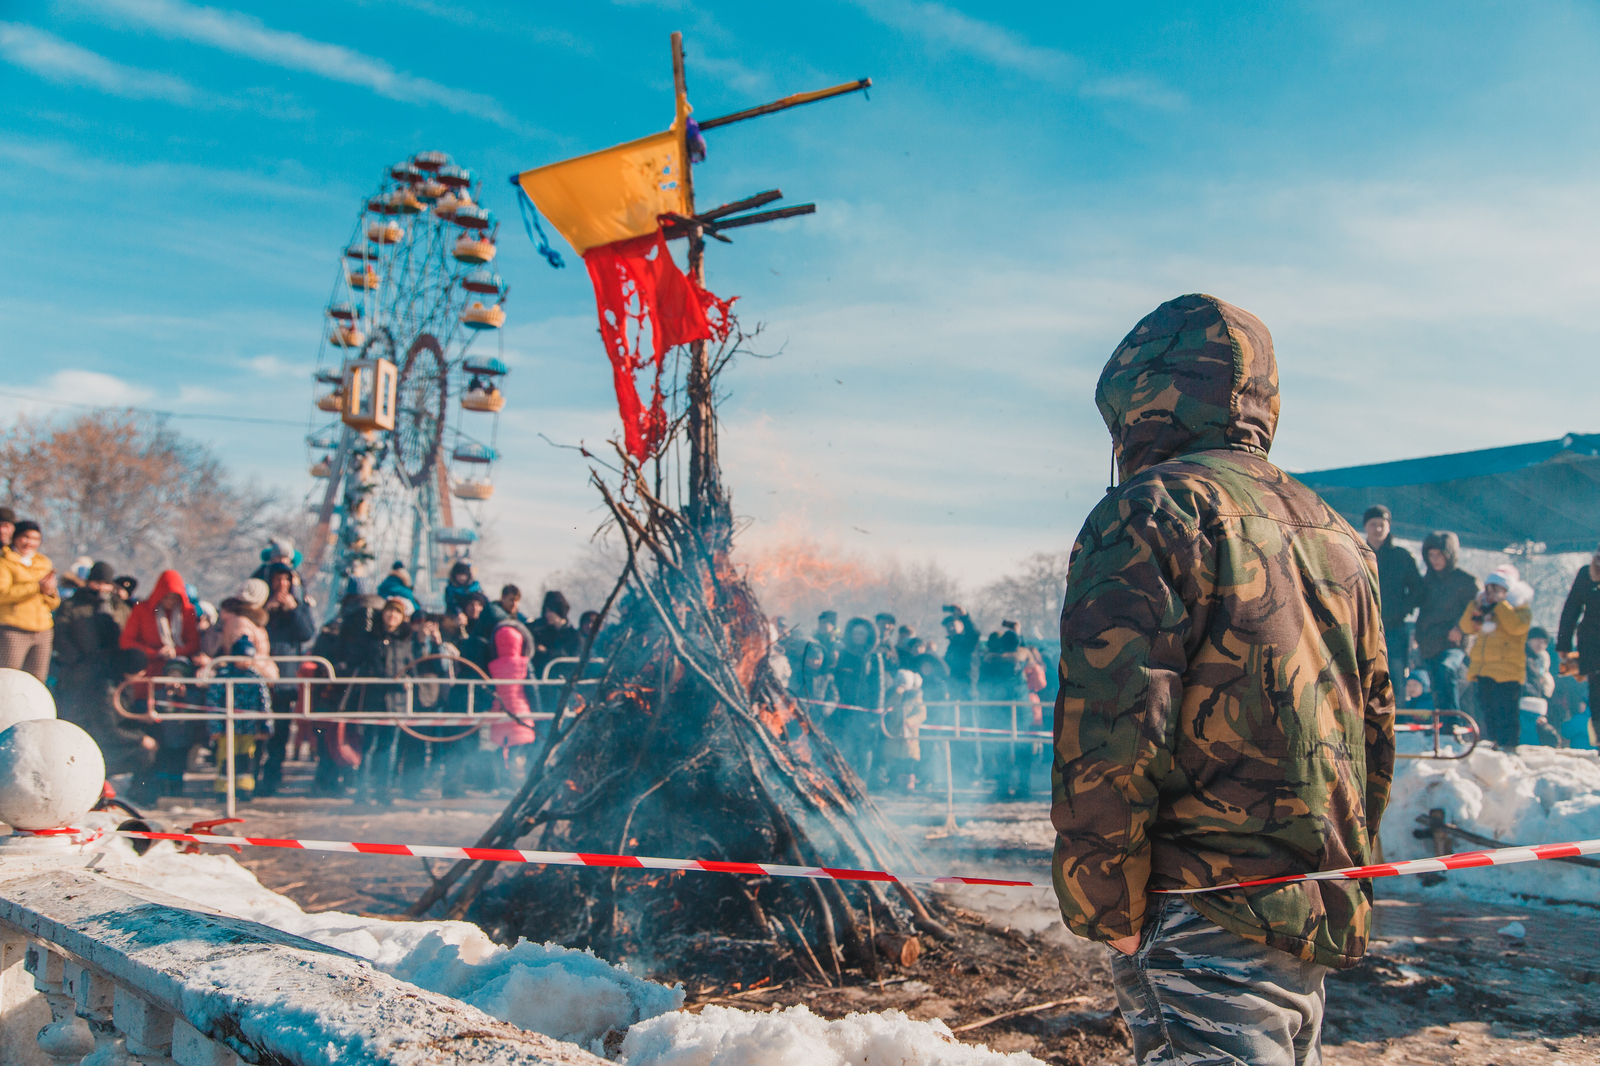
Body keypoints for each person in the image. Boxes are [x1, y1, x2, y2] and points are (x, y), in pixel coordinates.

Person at [1053, 294, 1393, 1065]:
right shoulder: (1335, 531)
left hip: (1202, 911)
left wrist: (1105, 903)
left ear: (1140, 400)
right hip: (1307, 905)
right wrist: (1340, 875)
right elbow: (1373, 730)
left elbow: (1114, 728)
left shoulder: (1148, 513)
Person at [53, 561, 154, 775]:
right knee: (77, 722)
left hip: (113, 672)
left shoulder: (120, 606)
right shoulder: (73, 605)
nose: (101, 588)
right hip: (80, 672)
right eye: (97, 582)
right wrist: (77, 659)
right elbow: (61, 636)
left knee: (107, 721)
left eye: (106, 584)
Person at [204, 598, 278, 800]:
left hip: (248, 727)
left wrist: (265, 727)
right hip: (227, 727)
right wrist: (214, 728)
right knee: (225, 758)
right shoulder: (224, 677)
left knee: (246, 758)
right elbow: (213, 702)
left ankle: (244, 787)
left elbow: (265, 704)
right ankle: (223, 789)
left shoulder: (255, 678)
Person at [254, 562, 317, 797]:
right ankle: (251, 777)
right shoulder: (261, 606)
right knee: (258, 733)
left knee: (279, 734)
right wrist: (266, 612)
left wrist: (294, 610)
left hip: (286, 680)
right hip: (260, 677)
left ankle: (271, 780)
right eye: (278, 580)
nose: (282, 585)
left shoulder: (299, 607)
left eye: (286, 580)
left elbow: (307, 634)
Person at [1458, 564, 1533, 750]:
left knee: (1507, 710)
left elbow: (1516, 627)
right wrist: (1474, 606)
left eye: (1497, 589)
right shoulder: (1482, 608)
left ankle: (1509, 744)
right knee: (1488, 709)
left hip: (1508, 670)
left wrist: (1501, 606)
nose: (1491, 593)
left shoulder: (1521, 610)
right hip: (1483, 668)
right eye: (1489, 589)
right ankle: (1495, 741)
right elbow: (1467, 627)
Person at [1414, 532, 1478, 712]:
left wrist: (1461, 628)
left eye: (1440, 554)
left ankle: (1453, 720)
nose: (1435, 560)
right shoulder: (1426, 581)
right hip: (1429, 642)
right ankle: (1441, 725)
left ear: (1450, 555)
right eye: (1431, 555)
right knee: (1435, 684)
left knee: (1446, 669)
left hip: (1454, 642)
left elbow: (1477, 610)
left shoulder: (1466, 581)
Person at [1362, 505, 1422, 677]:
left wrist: (1402, 610)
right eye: (1373, 524)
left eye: (1382, 524)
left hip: (1395, 629)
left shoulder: (1402, 557)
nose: (1378, 528)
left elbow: (1418, 590)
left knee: (1394, 675)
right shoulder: (1357, 554)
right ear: (1366, 526)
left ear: (1389, 526)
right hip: (1364, 626)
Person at [0, 520, 61, 680]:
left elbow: (54, 603)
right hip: (14, 629)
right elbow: (2, 594)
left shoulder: (43, 563)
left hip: (43, 630)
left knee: (37, 680)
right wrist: (36, 587)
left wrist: (49, 592)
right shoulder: (4, 561)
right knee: (8, 678)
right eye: (25, 537)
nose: (30, 543)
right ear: (15, 538)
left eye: (35, 539)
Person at [831, 617, 887, 782]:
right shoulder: (844, 654)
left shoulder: (875, 657)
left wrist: (876, 711)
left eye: (861, 633)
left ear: (868, 635)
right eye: (855, 633)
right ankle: (847, 783)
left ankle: (862, 782)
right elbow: (837, 681)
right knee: (847, 748)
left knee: (865, 749)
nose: (858, 636)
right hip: (845, 710)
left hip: (867, 711)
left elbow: (879, 685)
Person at [1557, 544, 1600, 743]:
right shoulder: (1586, 574)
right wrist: (1564, 644)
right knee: (1597, 697)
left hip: (1591, 644)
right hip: (1592, 646)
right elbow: (1571, 608)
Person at [487, 624, 538, 791]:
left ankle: (503, 782)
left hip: (500, 711)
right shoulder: (524, 664)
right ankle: (517, 784)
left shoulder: (493, 665)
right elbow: (532, 689)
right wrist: (538, 710)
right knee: (518, 752)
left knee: (502, 749)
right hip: (520, 712)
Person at [881, 669, 927, 791]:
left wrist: (909, 722)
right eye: (900, 681)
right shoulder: (895, 695)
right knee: (898, 761)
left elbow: (922, 715)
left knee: (909, 762)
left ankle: (909, 785)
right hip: (896, 734)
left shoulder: (916, 698)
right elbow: (888, 707)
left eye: (904, 681)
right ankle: (899, 785)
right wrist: (897, 694)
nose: (902, 683)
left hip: (910, 734)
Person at [1522, 626, 1560, 746]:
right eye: (1537, 640)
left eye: (1544, 642)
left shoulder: (1541, 659)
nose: (1540, 644)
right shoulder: (1524, 657)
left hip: (1537, 704)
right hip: (1525, 704)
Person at [530, 591, 580, 679]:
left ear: (558, 611)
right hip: (543, 678)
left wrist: (547, 652)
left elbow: (571, 657)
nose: (546, 614)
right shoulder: (543, 632)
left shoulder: (575, 636)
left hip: (563, 680)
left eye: (549, 611)